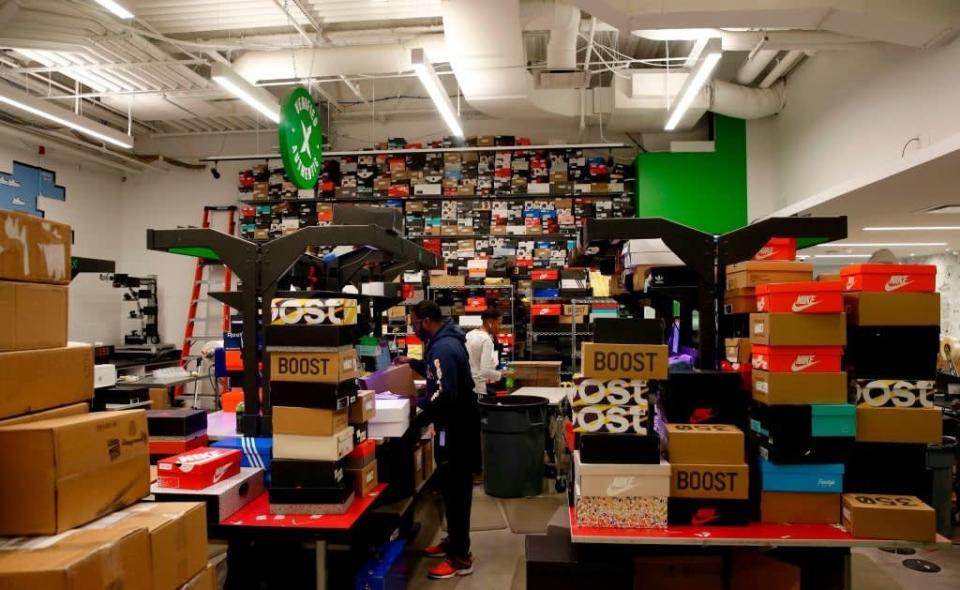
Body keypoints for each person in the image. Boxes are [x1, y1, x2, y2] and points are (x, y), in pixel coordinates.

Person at [395, 300, 479, 580]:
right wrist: (414, 363)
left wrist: (417, 406)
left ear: (427, 320)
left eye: (415, 323)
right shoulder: (444, 341)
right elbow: (438, 373)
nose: (414, 328)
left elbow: (444, 393)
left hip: (456, 430)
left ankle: (461, 557)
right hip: (456, 426)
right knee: (450, 489)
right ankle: (453, 541)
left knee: (456, 493)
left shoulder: (443, 346)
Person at [465, 308, 504, 396]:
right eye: (499, 323)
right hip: (478, 389)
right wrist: (501, 374)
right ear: (490, 322)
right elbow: (485, 371)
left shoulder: (469, 334)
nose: (500, 327)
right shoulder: (486, 340)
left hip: (466, 387)